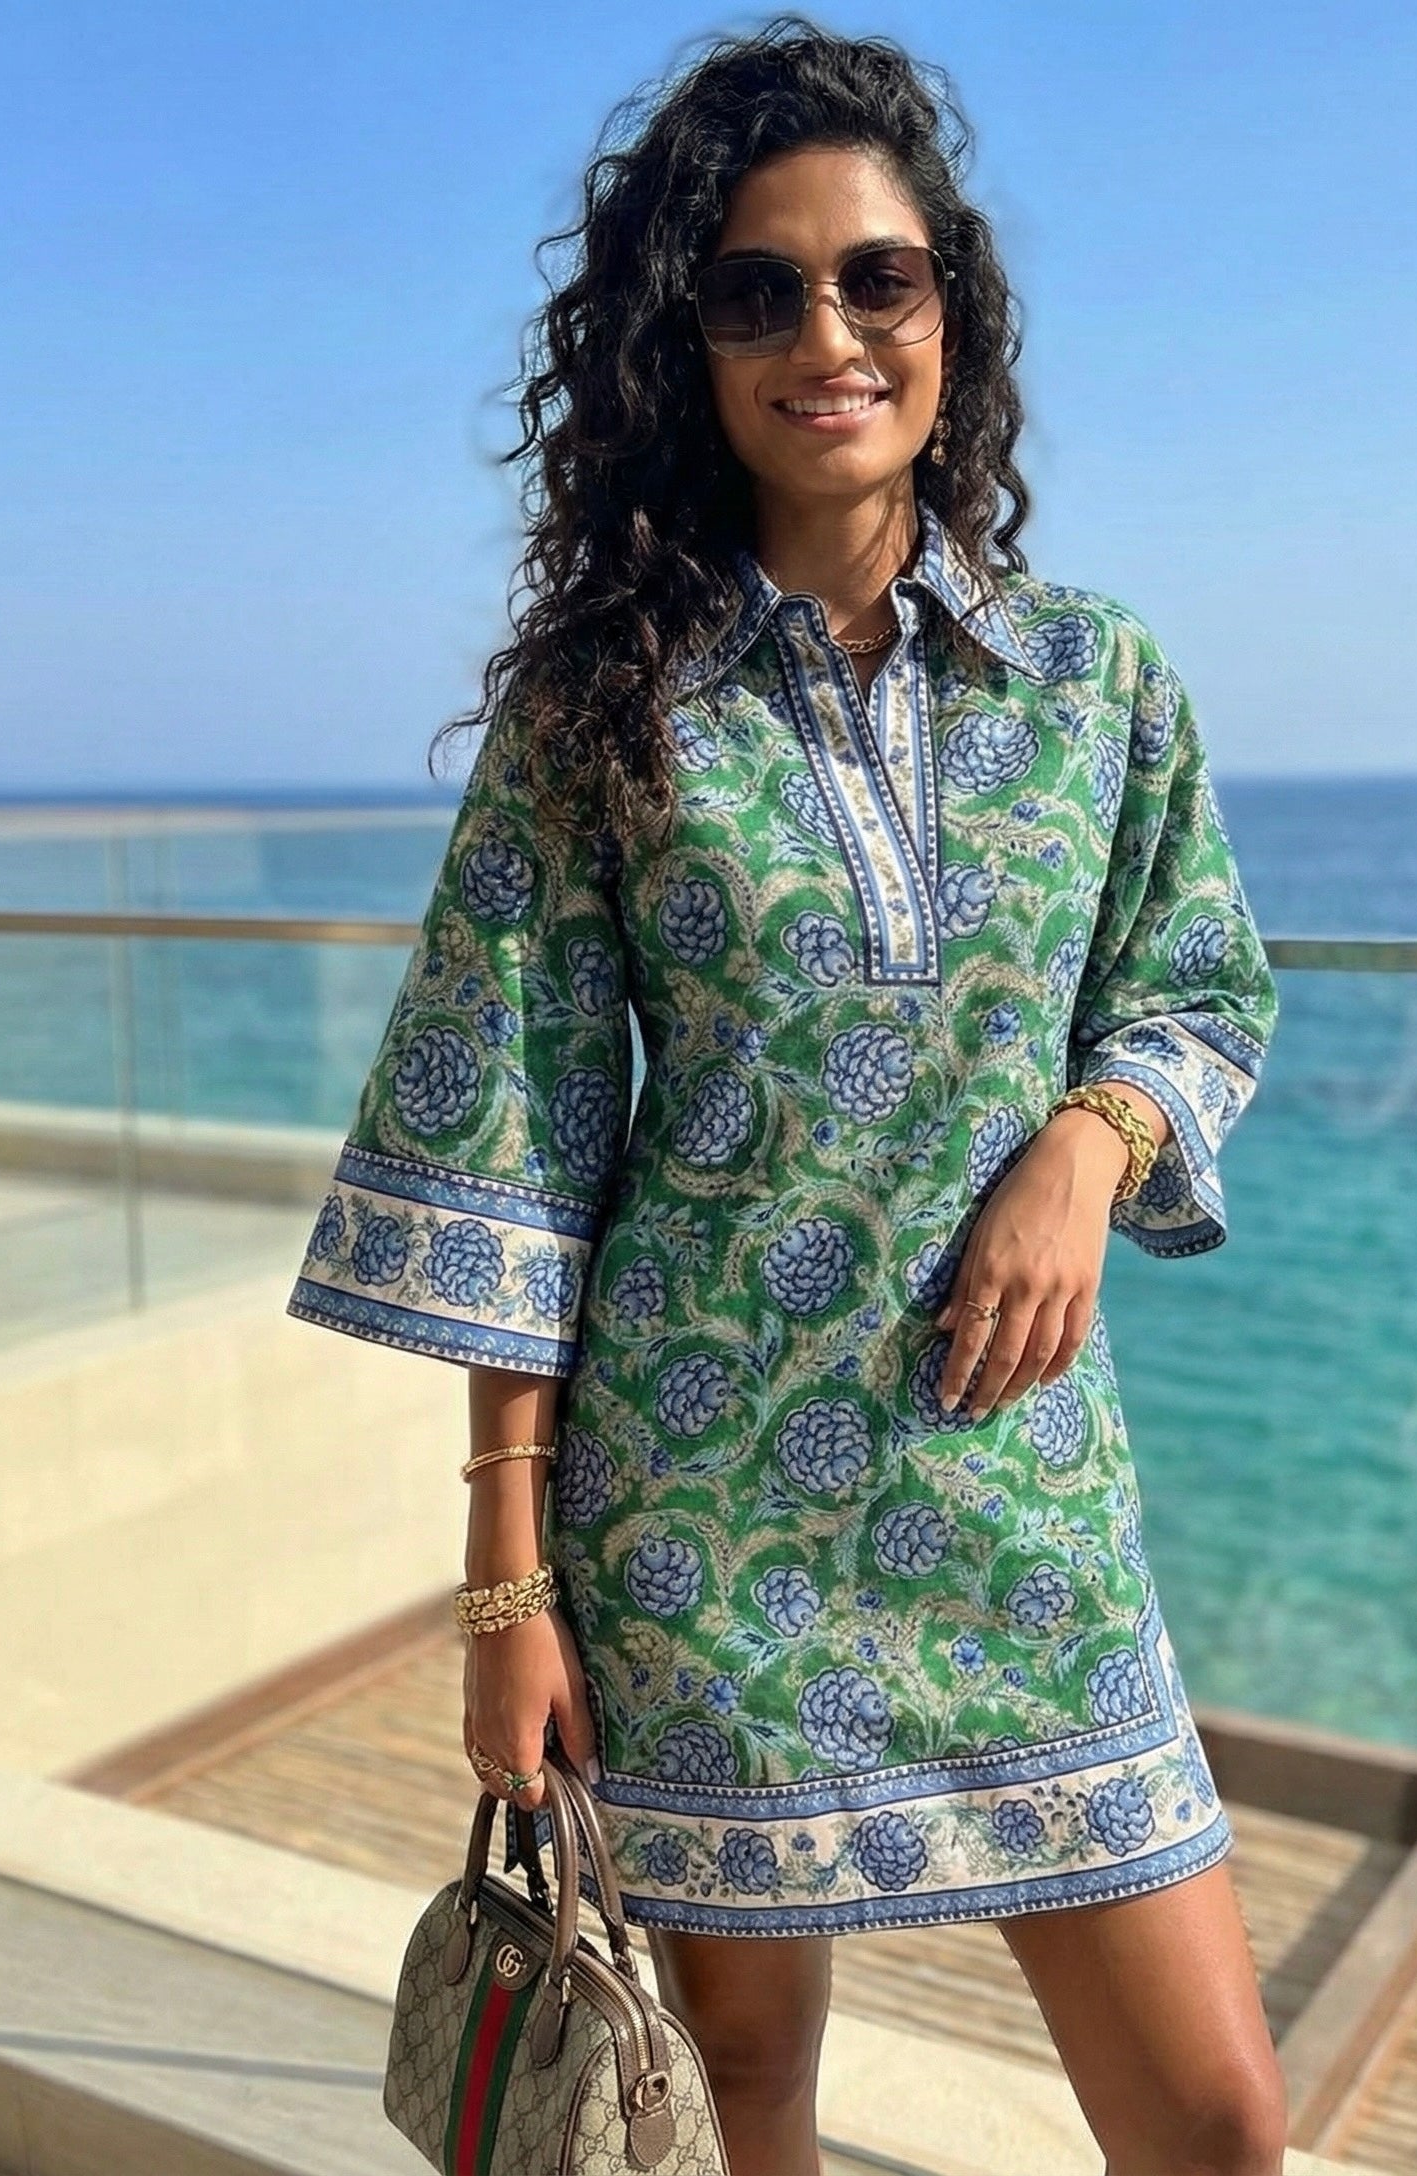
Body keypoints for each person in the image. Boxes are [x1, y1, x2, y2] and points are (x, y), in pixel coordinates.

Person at [288, 19, 1285, 2176]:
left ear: (951, 317)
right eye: (758, 293)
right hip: (695, 1523)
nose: (826, 335)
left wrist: (1086, 1143)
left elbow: (1197, 982)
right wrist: (506, 1591)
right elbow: (514, 1152)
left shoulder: (1098, 680)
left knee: (1216, 2117)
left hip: (1020, 1498)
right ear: (691, 348)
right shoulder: (600, 713)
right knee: (744, 2095)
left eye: (875, 280)